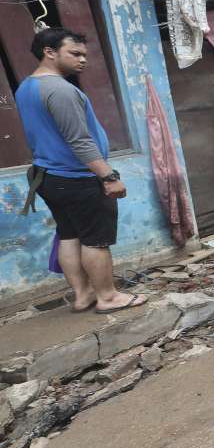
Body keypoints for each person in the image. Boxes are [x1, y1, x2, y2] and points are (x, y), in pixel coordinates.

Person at [16, 27, 147, 314]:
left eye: (85, 55)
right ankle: (108, 297)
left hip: (49, 177)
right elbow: (79, 140)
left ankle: (83, 295)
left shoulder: (27, 86)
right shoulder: (59, 89)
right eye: (74, 53)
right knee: (95, 240)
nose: (83, 60)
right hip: (77, 177)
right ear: (49, 52)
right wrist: (108, 176)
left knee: (69, 235)